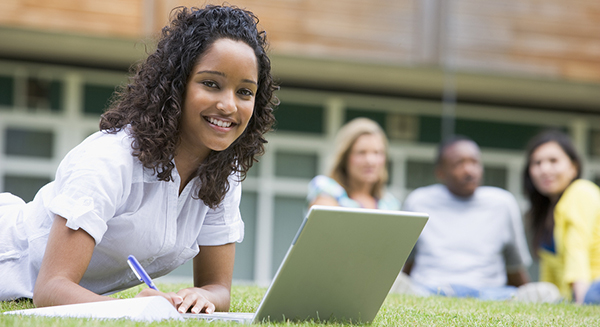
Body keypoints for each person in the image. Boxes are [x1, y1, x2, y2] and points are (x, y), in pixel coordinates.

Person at [0, 5, 277, 315]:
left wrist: (202, 297)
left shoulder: (220, 174)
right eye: (211, 84)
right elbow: (51, 289)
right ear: (177, 85)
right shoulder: (109, 160)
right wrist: (135, 308)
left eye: (244, 91)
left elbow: (218, 288)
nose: (228, 105)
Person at [393, 135, 559, 302]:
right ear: (440, 172)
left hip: (491, 294)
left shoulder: (502, 203)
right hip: (428, 290)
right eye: (459, 164)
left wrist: (529, 293)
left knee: (547, 292)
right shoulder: (418, 201)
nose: (469, 170)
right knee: (396, 284)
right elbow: (405, 262)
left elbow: (514, 268)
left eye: (474, 163)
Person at [524, 130, 600, 304]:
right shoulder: (546, 212)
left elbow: (577, 248)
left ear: (574, 168)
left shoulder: (581, 191)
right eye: (537, 163)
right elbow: (549, 280)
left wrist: (581, 304)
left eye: (553, 161)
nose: (544, 169)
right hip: (572, 295)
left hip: (592, 288)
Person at [307, 118, 400, 210]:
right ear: (344, 157)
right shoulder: (326, 190)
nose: (370, 161)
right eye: (361, 152)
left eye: (377, 152)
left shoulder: (389, 204)